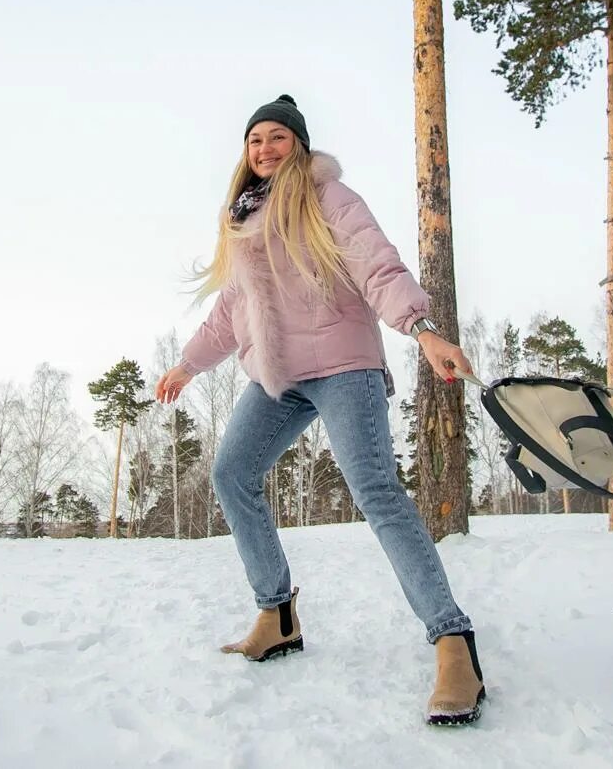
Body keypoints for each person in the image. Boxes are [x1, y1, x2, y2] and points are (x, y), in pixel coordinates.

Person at [154, 94, 486, 727]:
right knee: (231, 473)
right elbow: (232, 313)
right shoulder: (244, 220)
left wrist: (423, 329)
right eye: (255, 141)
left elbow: (377, 265)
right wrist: (187, 364)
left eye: (278, 137)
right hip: (279, 377)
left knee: (377, 492)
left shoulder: (329, 198)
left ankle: (452, 642)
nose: (265, 149)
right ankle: (276, 615)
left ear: (299, 147)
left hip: (343, 367)